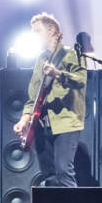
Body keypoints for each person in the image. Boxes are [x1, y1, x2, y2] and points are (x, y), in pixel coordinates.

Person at [15, 12, 88, 187]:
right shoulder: (41, 59)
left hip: (66, 122)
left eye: (37, 31)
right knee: (49, 176)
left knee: (64, 171)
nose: (34, 35)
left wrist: (58, 74)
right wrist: (25, 119)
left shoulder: (70, 53)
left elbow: (80, 80)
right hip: (42, 124)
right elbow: (34, 94)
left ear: (52, 30)